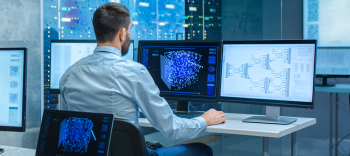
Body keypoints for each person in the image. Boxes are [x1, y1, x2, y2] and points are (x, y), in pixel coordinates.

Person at [59, 3, 226, 156]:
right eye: (130, 29)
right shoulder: (134, 72)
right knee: (202, 149)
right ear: (122, 33)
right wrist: (204, 120)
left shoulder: (69, 74)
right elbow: (171, 129)